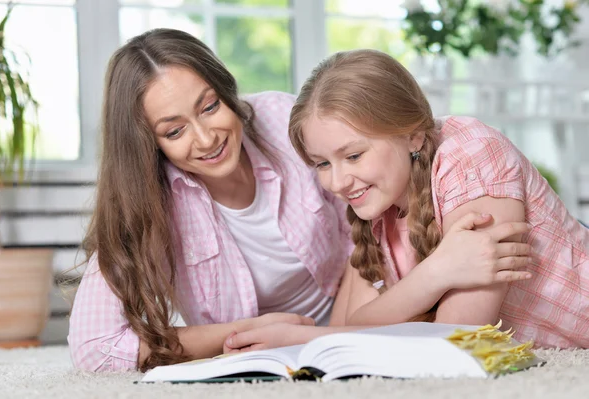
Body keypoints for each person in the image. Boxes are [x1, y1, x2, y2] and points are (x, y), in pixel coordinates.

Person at [68, 30, 532, 372]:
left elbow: (370, 205)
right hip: (276, 342)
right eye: (174, 130)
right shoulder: (145, 198)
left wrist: (324, 332)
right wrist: (246, 334)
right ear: (148, 144)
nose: (207, 137)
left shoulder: (281, 122)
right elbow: (94, 346)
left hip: (363, 299)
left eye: (210, 106)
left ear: (227, 92)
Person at [224, 49, 589, 354]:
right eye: (322, 163)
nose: (336, 182)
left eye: (353, 156)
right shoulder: (378, 201)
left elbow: (460, 342)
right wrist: (437, 272)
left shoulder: (472, 155)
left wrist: (302, 339)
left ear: (413, 136)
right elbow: (359, 320)